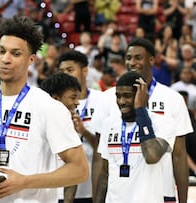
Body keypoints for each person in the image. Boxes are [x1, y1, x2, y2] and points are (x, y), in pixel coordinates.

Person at [0, 15, 89, 203]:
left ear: (31, 59)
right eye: (1, 51)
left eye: (15, 53)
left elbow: (80, 170)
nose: (5, 59)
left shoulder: (48, 107)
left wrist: (25, 182)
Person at [91, 38, 193, 203]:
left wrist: (183, 200)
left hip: (160, 190)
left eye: (138, 57)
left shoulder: (172, 99)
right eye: (129, 57)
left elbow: (179, 156)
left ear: (151, 60)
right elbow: (101, 161)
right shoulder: (107, 99)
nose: (132, 62)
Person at [95, 71, 175, 203]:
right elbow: (105, 173)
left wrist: (141, 110)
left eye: (127, 96)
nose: (121, 102)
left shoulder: (163, 123)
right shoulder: (109, 123)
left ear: (142, 95)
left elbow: (152, 156)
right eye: (118, 96)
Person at [57, 50, 104, 202]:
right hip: (59, 188)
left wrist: (83, 131)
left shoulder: (101, 100)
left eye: (70, 70)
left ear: (85, 71)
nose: (65, 75)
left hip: (90, 187)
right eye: (62, 71)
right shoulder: (53, 103)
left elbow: (103, 147)